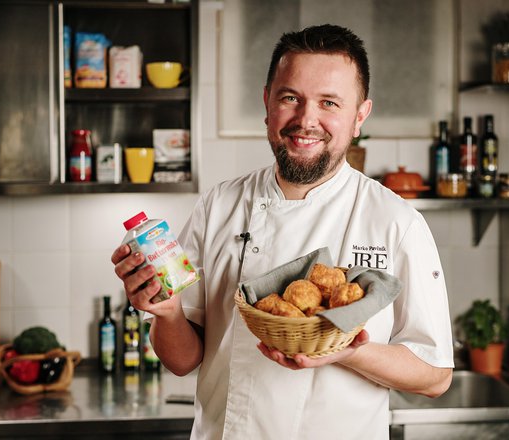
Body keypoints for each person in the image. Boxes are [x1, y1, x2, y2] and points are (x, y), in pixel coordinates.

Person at [112, 24, 453, 440]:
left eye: (329, 103)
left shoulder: (396, 221)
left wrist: (347, 351)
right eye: (290, 97)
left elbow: (435, 375)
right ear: (267, 101)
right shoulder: (219, 205)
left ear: (360, 116)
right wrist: (165, 313)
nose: (306, 120)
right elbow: (182, 361)